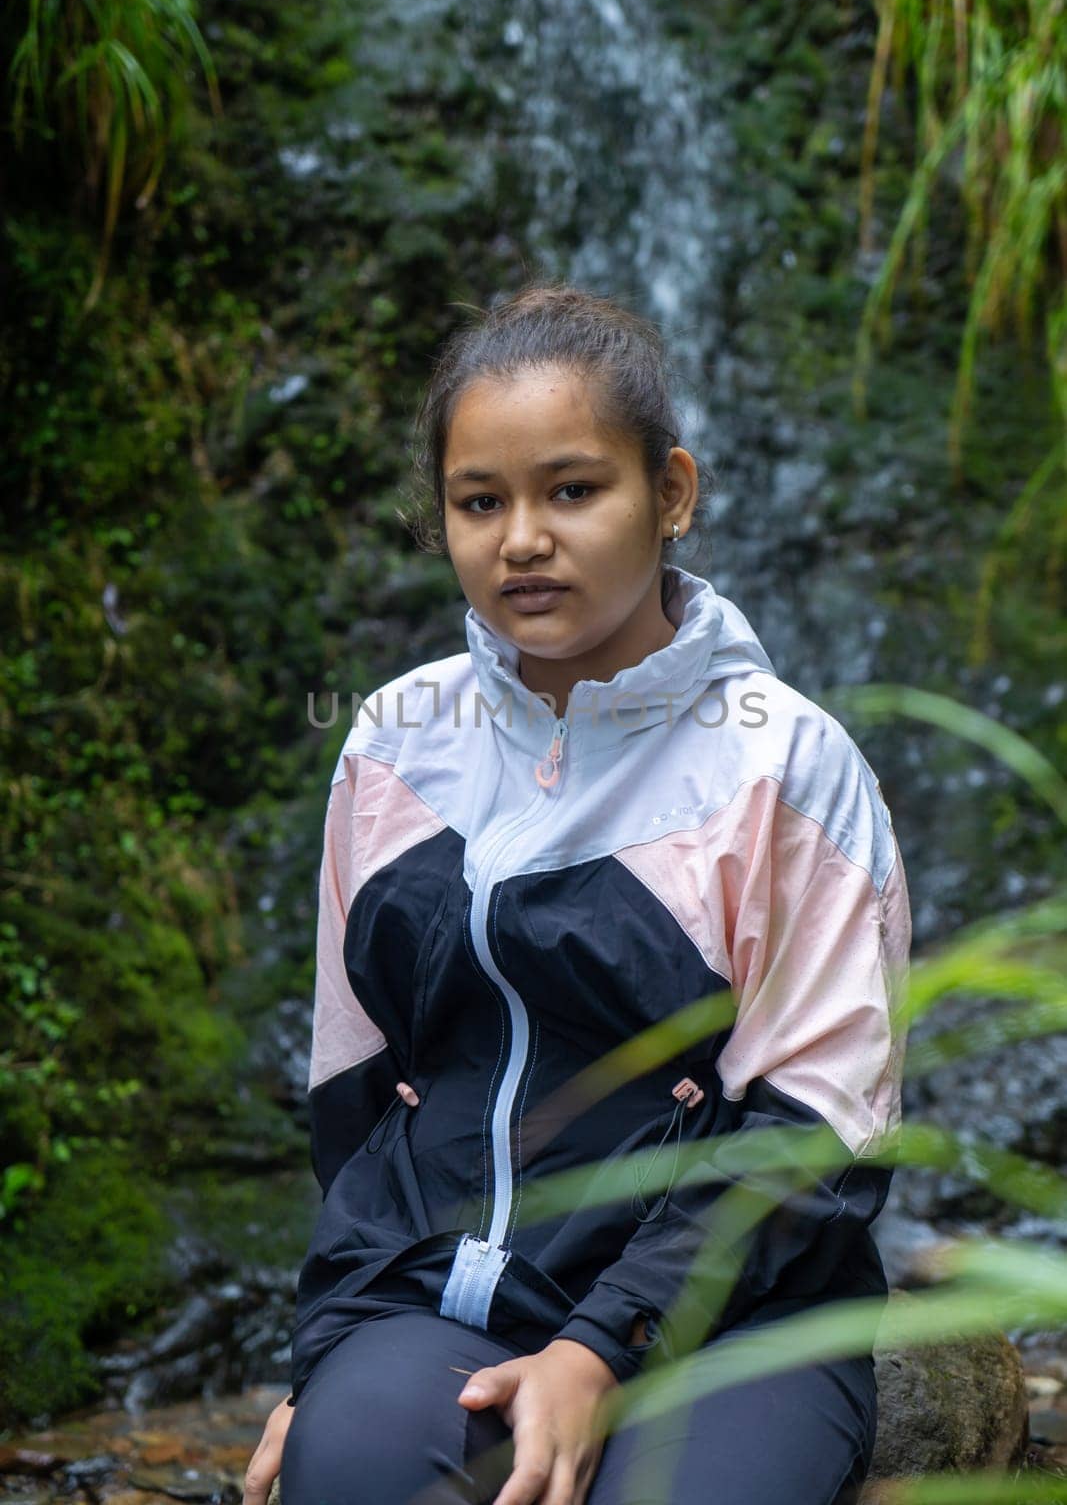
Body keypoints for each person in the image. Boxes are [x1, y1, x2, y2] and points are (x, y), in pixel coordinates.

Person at [243, 281, 911, 1505]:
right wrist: (323, 1360)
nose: (521, 539)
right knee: (348, 1469)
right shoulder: (394, 741)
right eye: (478, 501)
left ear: (671, 494)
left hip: (732, 1323)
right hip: (443, 1298)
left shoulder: (786, 765)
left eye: (571, 489)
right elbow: (356, 1094)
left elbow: (820, 1128)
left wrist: (606, 1343)